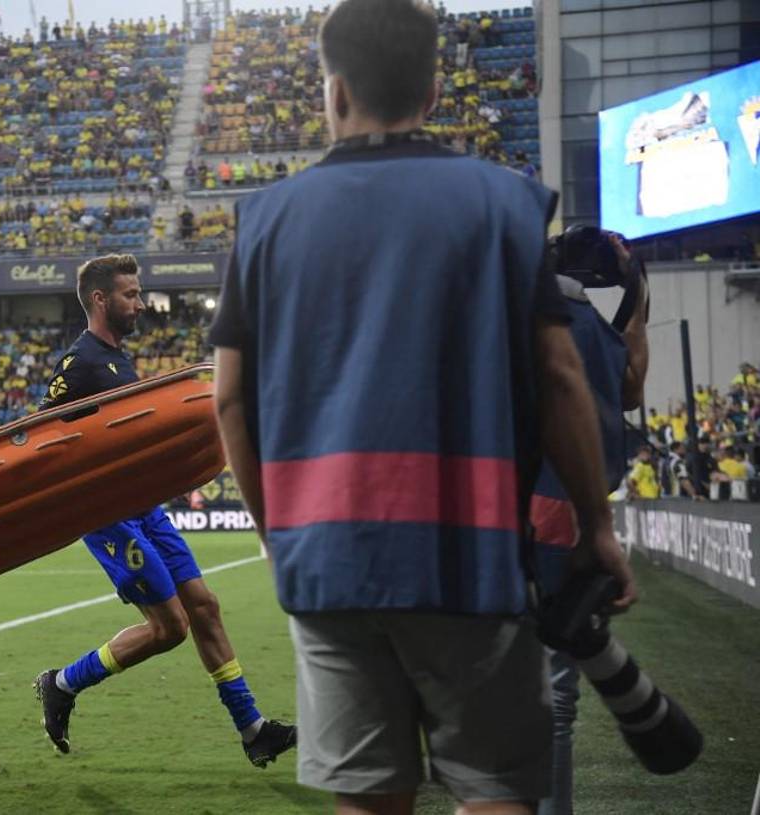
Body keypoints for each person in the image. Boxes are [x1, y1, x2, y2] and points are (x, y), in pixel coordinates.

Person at [209, 1, 636, 813]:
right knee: (495, 789)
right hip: (469, 552)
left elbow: (229, 399)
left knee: (369, 797)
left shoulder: (262, 222)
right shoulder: (504, 204)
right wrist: (597, 525)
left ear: (334, 91)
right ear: (435, 92)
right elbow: (560, 376)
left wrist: (273, 533)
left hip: (329, 560)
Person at [32, 253, 297, 769]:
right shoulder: (80, 362)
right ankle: (62, 683)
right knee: (170, 628)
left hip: (144, 506)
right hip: (108, 515)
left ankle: (254, 731)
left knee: (205, 606)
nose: (140, 303)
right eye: (130, 294)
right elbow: (42, 434)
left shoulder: (119, 361)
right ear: (100, 299)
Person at [527, 231, 649, 815]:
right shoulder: (590, 327)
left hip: (489, 514)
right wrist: (637, 295)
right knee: (555, 695)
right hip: (564, 519)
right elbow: (631, 387)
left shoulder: (504, 312)